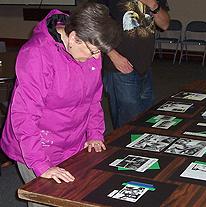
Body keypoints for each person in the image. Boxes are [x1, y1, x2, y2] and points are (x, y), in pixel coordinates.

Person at [0, 3, 120, 206]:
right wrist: (41, 165)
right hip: (35, 145)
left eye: (99, 52)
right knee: (46, 200)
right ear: (73, 38)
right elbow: (24, 117)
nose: (96, 58)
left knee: (76, 195)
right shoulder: (36, 55)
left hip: (72, 140)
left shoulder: (90, 47)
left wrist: (94, 133)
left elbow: (93, 99)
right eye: (92, 52)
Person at [94, 0, 170, 129]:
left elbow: (165, 25)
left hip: (145, 67)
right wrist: (113, 54)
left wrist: (154, 5)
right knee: (128, 126)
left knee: (146, 121)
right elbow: (93, 24)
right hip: (119, 68)